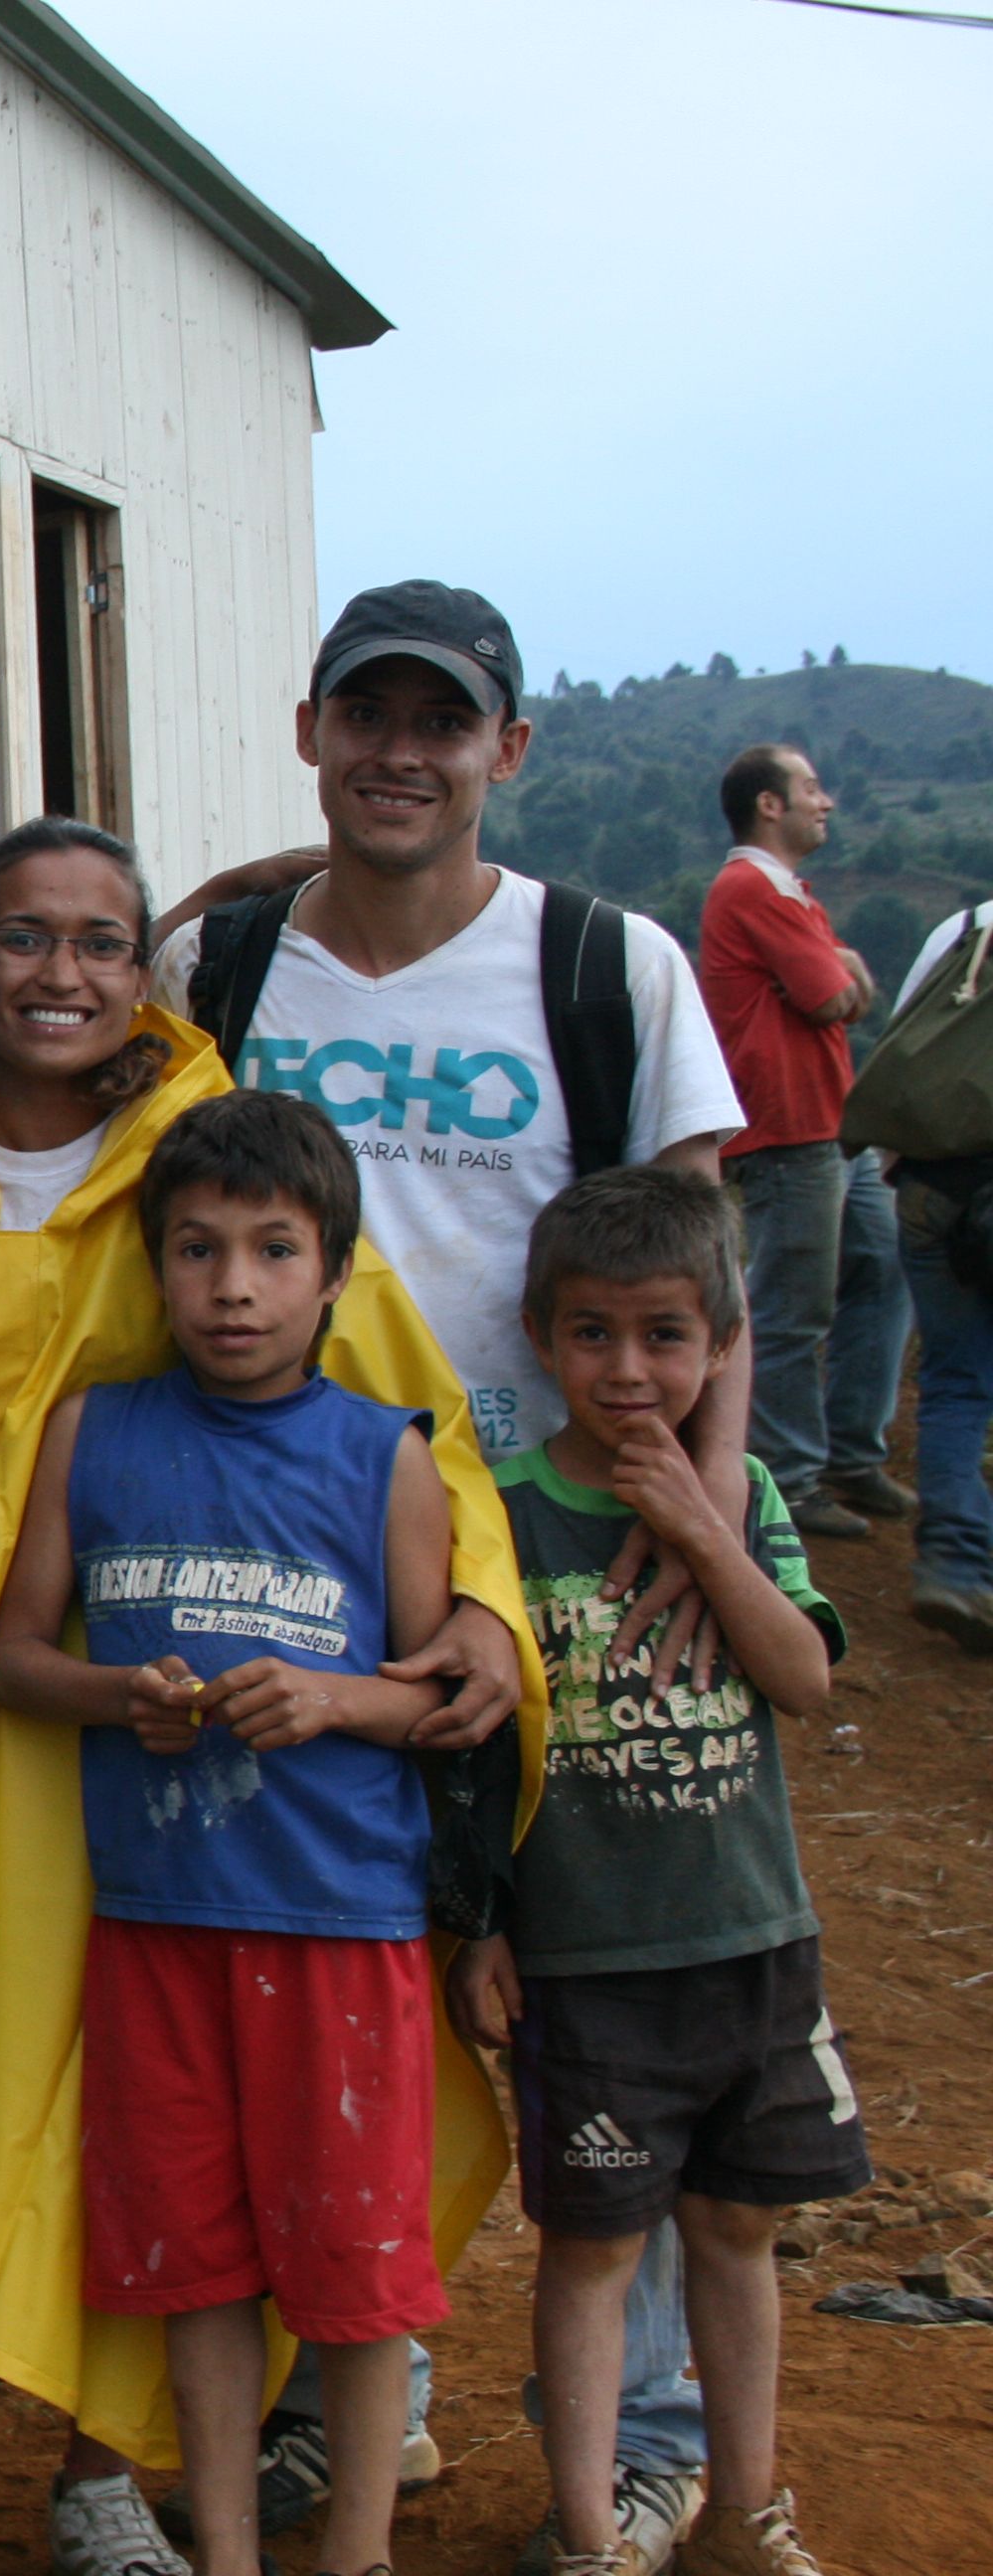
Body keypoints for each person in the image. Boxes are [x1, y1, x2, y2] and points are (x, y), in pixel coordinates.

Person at [155, 580, 751, 2552]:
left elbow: (705, 1279)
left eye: (448, 721)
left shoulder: (608, 966)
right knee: (342, 1972)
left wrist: (703, 1524)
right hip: (290, 1551)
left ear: (511, 748)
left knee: (612, 1977)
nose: (403, 752)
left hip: (571, 1552)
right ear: (311, 727)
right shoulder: (218, 966)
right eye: (367, 717)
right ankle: (363, 2393)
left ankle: (648, 2420)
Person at [0, 822, 540, 2576]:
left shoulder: (205, 1148)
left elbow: (396, 1405)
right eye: (20, 935)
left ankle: (105, 2464)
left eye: (102, 939)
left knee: (130, 2106)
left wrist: (471, 1601)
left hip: (168, 1761)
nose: (63, 973)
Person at [0, 1089, 466, 2576]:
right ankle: (234, 2552)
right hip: (159, 1916)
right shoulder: (92, 1430)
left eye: (274, 1251)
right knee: (193, 2260)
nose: (235, 1286)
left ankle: (360, 2554)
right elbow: (13, 1661)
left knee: (357, 2268)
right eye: (198, 1250)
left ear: (335, 1278)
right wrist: (122, 1693)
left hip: (342, 1920)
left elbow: (435, 1692)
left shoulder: (384, 1454)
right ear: (155, 1264)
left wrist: (330, 1700)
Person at [436, 1167, 861, 2576]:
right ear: (542, 1335)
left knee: (739, 2229)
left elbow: (801, 1676)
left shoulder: (743, 1497)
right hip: (586, 1958)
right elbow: (470, 1755)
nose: (630, 1370)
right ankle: (584, 2529)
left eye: (667, 1336)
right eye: (596, 1334)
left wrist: (700, 1528)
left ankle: (743, 2510)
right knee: (595, 2249)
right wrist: (479, 1929)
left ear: (721, 1343)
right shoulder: (495, 1513)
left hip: (751, 1940)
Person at [696, 741, 913, 1539]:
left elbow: (838, 990)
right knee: (794, 1304)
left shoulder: (790, 893)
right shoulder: (751, 888)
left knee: (882, 1273)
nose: (827, 802)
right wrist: (839, 969)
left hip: (830, 1123)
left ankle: (851, 1449)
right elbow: (830, 996)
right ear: (769, 805)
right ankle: (787, 1475)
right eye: (812, 788)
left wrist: (839, 971)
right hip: (788, 1127)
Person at [883, 900, 993, 1649]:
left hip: (934, 1192)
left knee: (956, 1378)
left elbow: (901, 1048)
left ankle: (954, 1565)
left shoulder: (961, 931)